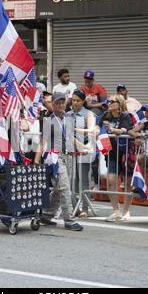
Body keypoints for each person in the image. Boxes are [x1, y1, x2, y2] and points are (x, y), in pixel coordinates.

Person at [34, 92, 83, 231]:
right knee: (64, 187)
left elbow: (70, 138)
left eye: (63, 102)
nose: (61, 105)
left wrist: (84, 147)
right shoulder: (49, 120)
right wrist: (37, 160)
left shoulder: (68, 118)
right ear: (53, 105)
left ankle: (47, 214)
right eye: (58, 103)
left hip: (68, 155)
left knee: (58, 189)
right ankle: (69, 219)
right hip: (55, 157)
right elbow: (43, 141)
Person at [97, 94, 134, 222]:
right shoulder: (105, 115)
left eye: (113, 101)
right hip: (111, 153)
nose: (110, 103)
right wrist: (93, 131)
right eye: (109, 101)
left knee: (128, 183)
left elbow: (124, 131)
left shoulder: (126, 116)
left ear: (119, 104)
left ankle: (126, 211)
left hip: (125, 153)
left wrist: (111, 129)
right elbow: (96, 128)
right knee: (111, 180)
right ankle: (116, 211)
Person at [65, 89, 96, 218]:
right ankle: (74, 207)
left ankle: (84, 208)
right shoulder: (68, 114)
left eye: (78, 100)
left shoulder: (88, 114)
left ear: (83, 101)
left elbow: (91, 130)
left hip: (84, 151)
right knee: (72, 179)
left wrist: (83, 146)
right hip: (71, 151)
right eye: (73, 100)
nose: (75, 103)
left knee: (83, 179)